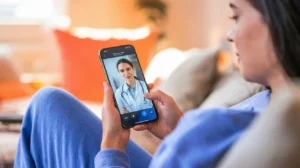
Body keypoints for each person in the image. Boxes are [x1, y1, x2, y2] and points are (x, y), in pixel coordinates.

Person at [14, 0, 300, 167]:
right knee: (48, 102)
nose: (229, 34)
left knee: (45, 105)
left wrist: (112, 145)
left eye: (237, 16)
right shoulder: (267, 104)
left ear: (279, 20)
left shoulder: (232, 124)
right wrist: (179, 130)